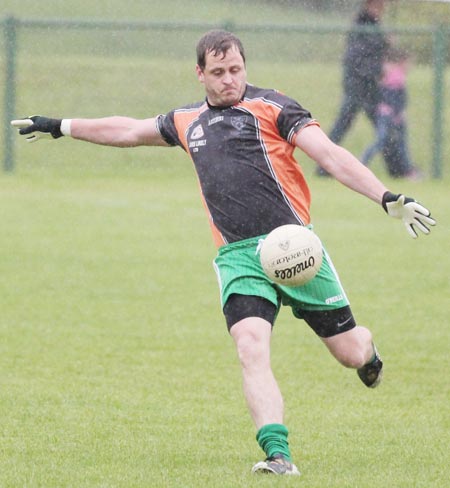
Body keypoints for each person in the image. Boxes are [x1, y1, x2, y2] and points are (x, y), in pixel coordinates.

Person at [11, 29, 436, 476]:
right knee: (250, 346)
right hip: (238, 257)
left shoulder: (275, 109)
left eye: (235, 70)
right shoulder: (186, 120)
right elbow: (128, 130)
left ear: (244, 67)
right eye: (218, 73)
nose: (228, 79)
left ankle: (368, 354)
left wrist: (386, 197)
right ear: (200, 74)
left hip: (297, 249)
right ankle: (278, 455)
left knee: (349, 352)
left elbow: (328, 154)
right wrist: (61, 126)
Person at [320, 0, 389, 177]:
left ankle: (399, 168)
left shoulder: (372, 25)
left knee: (384, 128)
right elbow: (359, 57)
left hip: (367, 87)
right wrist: (375, 70)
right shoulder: (363, 25)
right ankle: (325, 166)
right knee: (348, 126)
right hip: (359, 87)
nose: (382, 8)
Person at [361, 45, 422, 179]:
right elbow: (393, 96)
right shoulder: (396, 76)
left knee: (397, 142)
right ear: (402, 62)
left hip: (392, 114)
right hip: (389, 115)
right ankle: (362, 163)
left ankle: (407, 170)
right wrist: (396, 112)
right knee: (384, 141)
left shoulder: (393, 74)